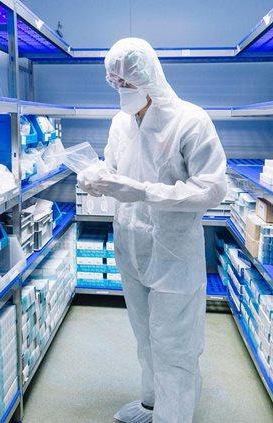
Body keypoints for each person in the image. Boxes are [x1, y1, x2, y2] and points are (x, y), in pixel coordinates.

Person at [77, 38, 227, 423]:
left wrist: (145, 192)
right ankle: (150, 404)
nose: (121, 90)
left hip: (173, 254)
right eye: (115, 83)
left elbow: (212, 189)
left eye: (127, 83)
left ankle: (173, 416)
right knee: (144, 336)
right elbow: (114, 169)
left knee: (174, 345)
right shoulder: (120, 123)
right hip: (130, 247)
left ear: (149, 77)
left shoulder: (190, 121)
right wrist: (97, 177)